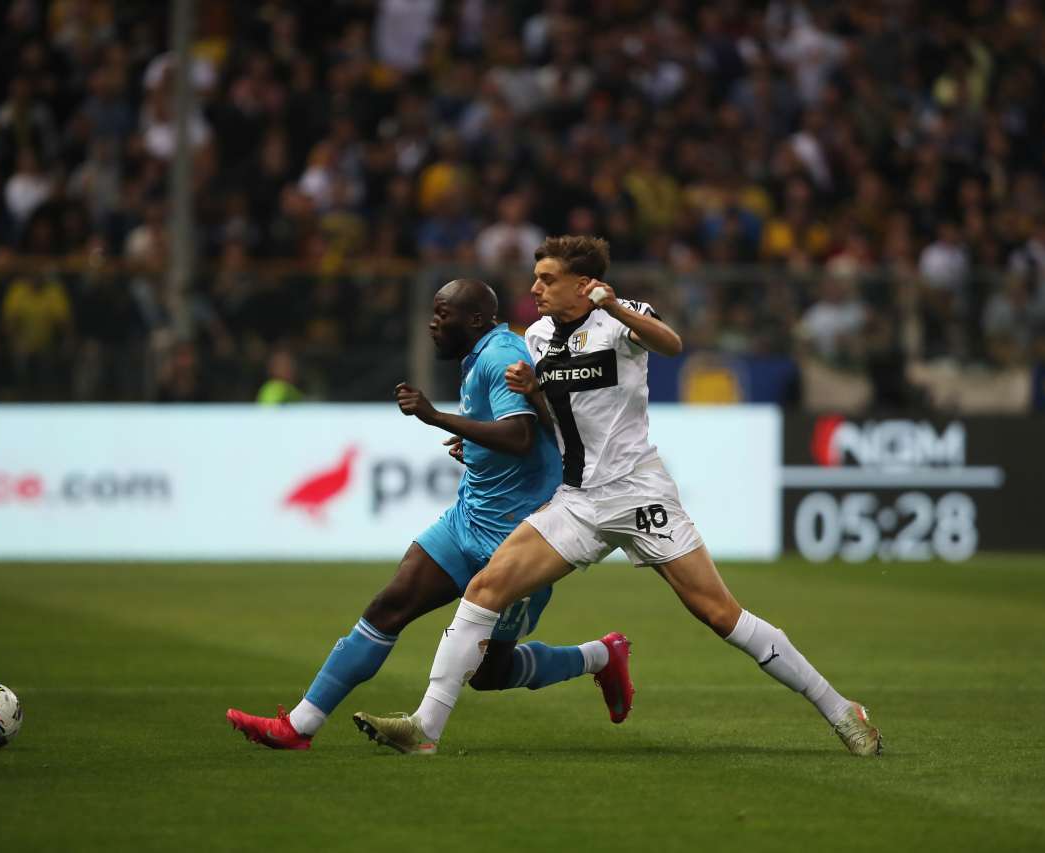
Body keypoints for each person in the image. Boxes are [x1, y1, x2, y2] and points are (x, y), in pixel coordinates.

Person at [354, 237, 882, 756]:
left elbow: (671, 345)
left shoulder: (620, 318)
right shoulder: (536, 336)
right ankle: (425, 727)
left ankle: (842, 710)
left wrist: (617, 309)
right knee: (486, 588)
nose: (535, 289)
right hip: (578, 500)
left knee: (720, 614)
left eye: (548, 279)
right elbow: (550, 422)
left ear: (583, 284)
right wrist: (530, 396)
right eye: (536, 278)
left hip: (637, 492)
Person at [227, 279, 634, 752]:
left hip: (519, 541)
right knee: (388, 607)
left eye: (443, 314)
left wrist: (434, 415)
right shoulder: (479, 355)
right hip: (468, 520)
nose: (432, 323)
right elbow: (520, 432)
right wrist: (475, 442)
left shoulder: (501, 356)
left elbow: (521, 435)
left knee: (490, 673)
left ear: (475, 319)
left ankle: (600, 656)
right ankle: (298, 727)